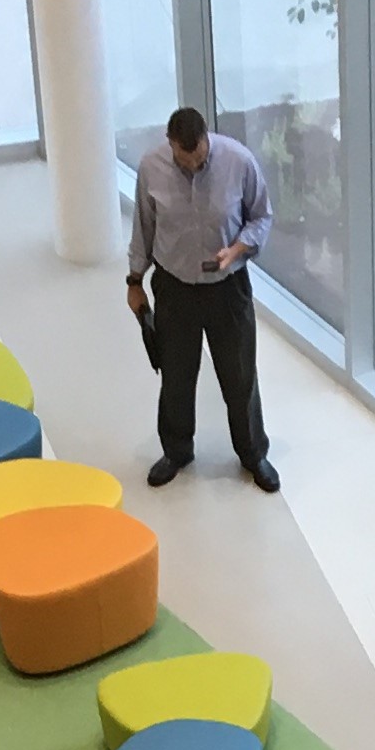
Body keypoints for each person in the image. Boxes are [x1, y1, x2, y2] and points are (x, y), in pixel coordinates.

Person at [126, 105, 280, 493]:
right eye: (184, 158)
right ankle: (176, 450)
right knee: (176, 375)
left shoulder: (238, 161)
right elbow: (143, 228)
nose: (193, 165)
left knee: (240, 374)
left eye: (199, 158)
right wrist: (134, 281)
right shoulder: (151, 168)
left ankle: (252, 454)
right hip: (174, 287)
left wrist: (240, 248)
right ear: (171, 143)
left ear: (205, 139)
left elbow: (261, 216)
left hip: (227, 287)